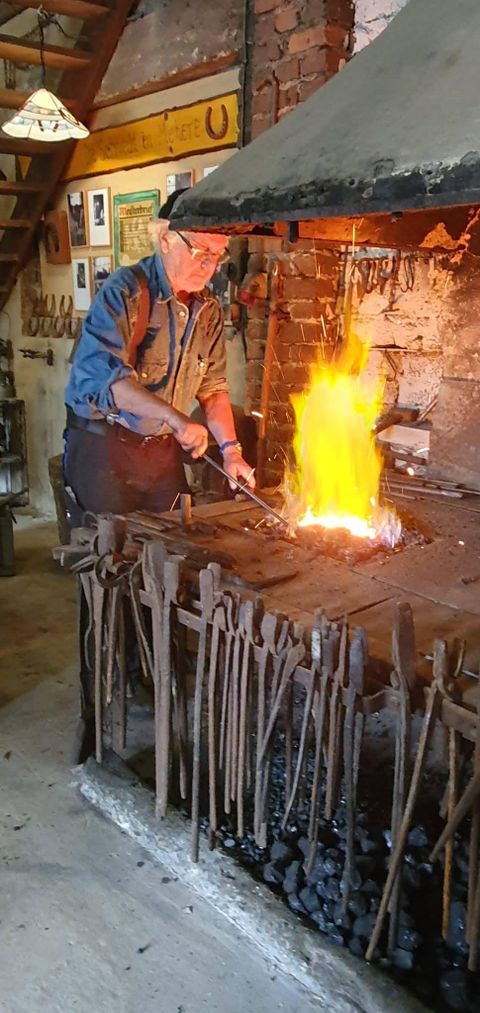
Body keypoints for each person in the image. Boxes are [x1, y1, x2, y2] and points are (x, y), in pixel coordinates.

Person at [63, 188, 254, 521]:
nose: (209, 265)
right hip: (105, 448)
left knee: (177, 543)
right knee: (114, 557)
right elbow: (110, 383)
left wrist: (230, 451)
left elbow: (213, 390)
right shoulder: (126, 292)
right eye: (199, 251)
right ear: (165, 238)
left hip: (161, 452)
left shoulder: (207, 309)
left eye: (218, 254)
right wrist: (177, 419)